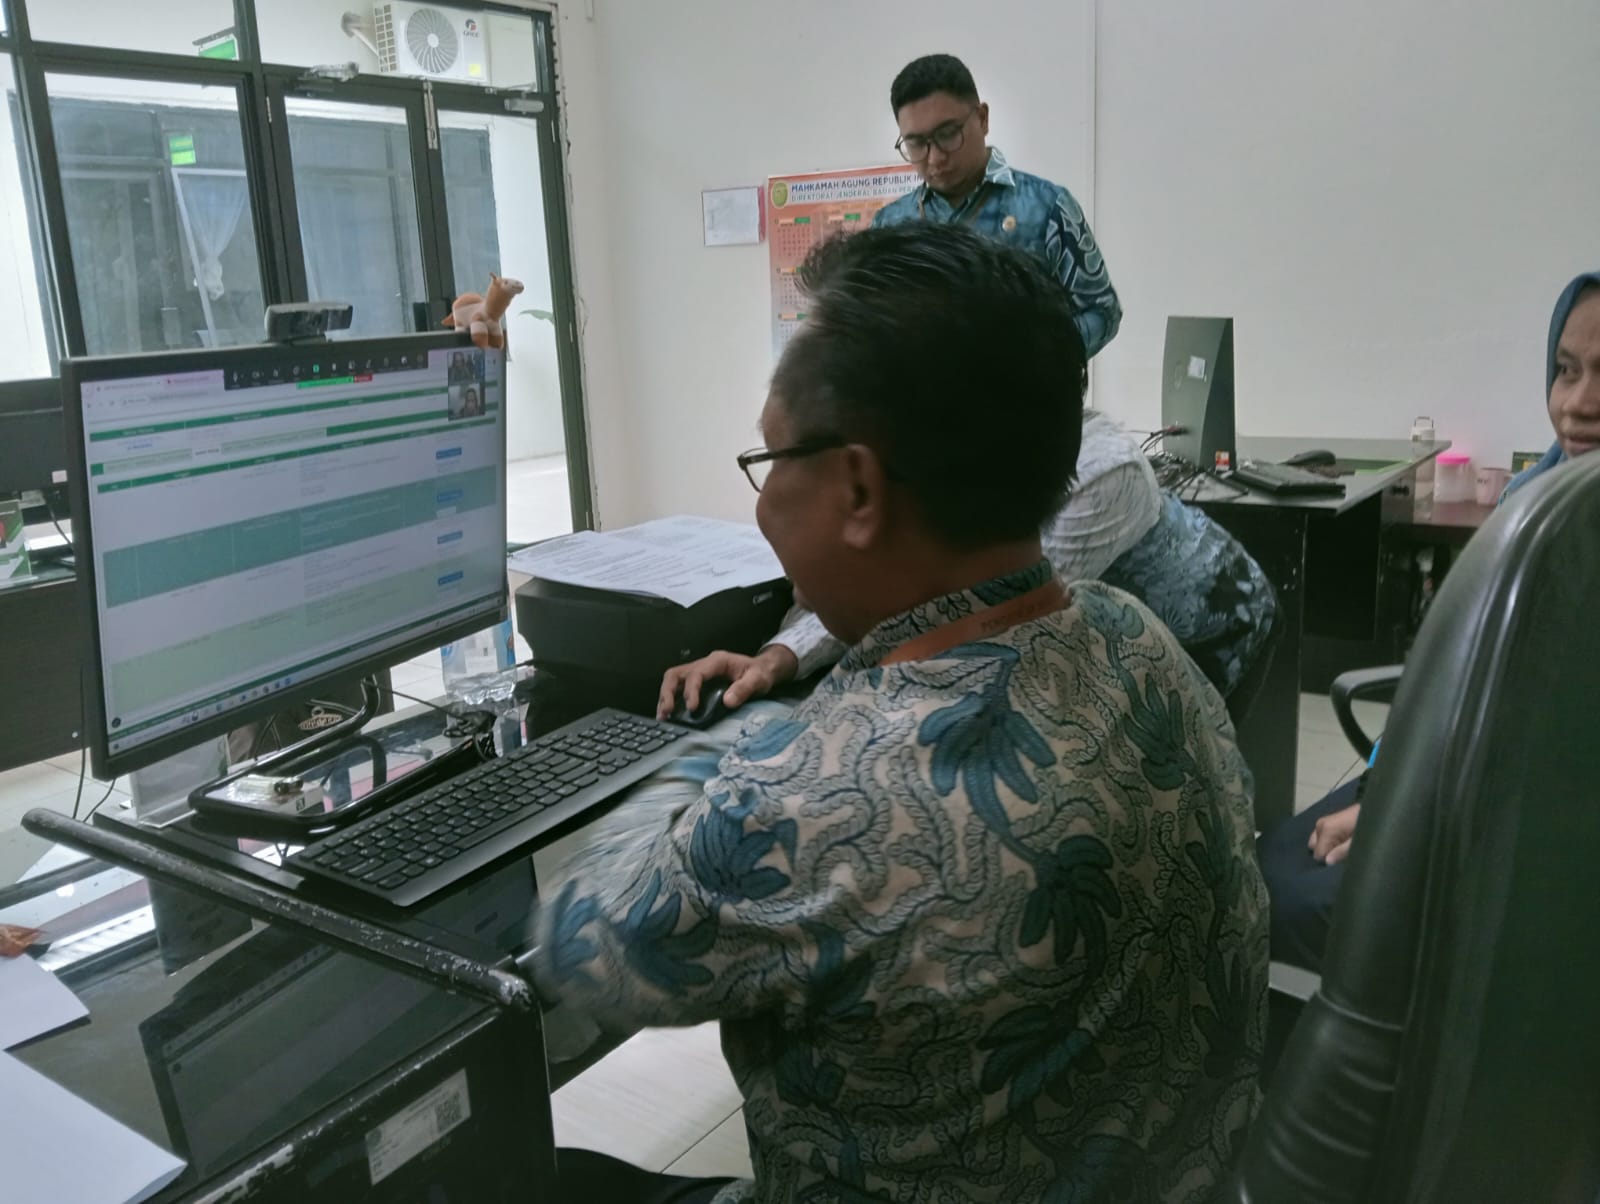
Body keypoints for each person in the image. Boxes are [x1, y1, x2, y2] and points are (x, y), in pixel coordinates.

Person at [530, 224, 1268, 1203]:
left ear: (858, 487)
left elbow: (575, 941)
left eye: (771, 457)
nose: (764, 499)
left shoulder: (803, 797)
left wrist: (727, 743)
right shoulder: (1139, 639)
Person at [660, 245, 1278, 723]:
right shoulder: (976, 458)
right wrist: (779, 657)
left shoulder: (1097, 479)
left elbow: (970, 620)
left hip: (1213, 622)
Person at [1259, 269, 1600, 973]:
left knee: (1283, 899)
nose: (1578, 403)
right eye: (1567, 370)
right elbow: (1465, 684)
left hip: (1528, 837)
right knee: (1264, 864)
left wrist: (1410, 818)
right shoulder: (1534, 506)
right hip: (1456, 773)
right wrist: (1387, 786)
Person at [873, 53, 1122, 358]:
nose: (935, 157)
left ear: (982, 119)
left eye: (948, 134)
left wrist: (1036, 360)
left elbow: (1102, 311)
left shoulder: (1046, 208)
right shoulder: (889, 226)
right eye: (916, 143)